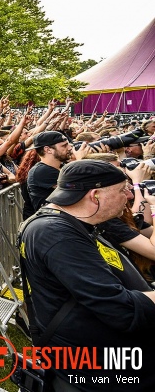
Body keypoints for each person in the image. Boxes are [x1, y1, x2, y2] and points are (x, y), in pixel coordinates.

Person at [19, 160, 155, 391]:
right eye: (123, 189)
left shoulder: (70, 224)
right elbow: (119, 308)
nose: (129, 196)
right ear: (95, 195)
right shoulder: (55, 233)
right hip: (99, 369)